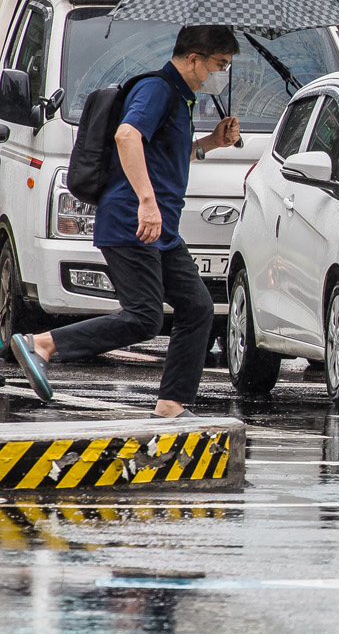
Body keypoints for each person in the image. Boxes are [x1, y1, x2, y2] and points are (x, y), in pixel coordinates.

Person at [9, 24, 241, 417]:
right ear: (194, 59)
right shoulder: (158, 89)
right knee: (143, 317)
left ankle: (171, 403)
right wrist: (147, 202)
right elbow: (127, 136)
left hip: (159, 228)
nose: (224, 74)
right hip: (132, 222)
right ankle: (42, 344)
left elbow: (163, 156)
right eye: (220, 64)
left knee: (197, 307)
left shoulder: (181, 99)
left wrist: (210, 144)